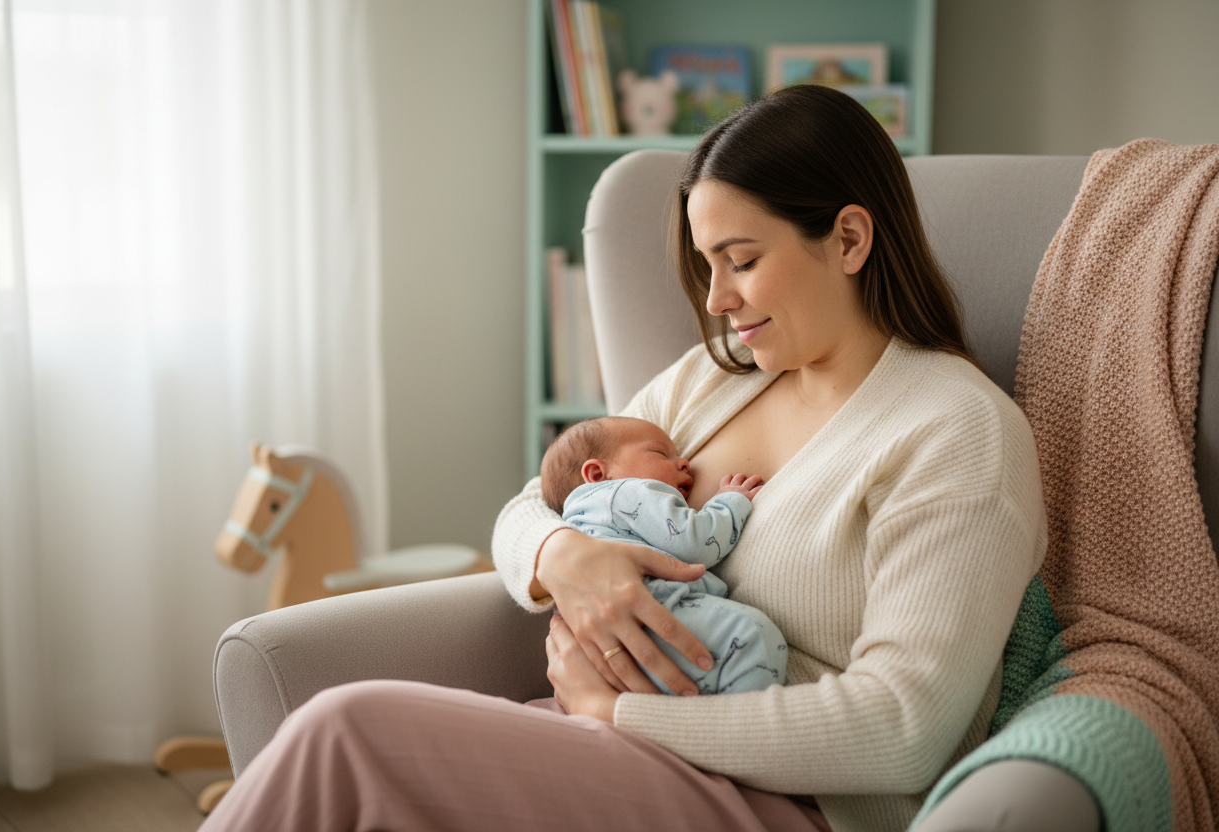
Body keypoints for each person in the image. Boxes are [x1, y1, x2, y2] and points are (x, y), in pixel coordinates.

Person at [200, 84, 1094, 832]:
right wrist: (564, 557)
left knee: (346, 731)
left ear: (850, 241)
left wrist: (618, 713)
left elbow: (904, 729)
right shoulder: (714, 382)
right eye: (708, 264)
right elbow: (530, 506)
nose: (717, 299)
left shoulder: (955, 432)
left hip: (790, 800)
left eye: (740, 260)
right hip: (618, 740)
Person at [540, 414, 787, 696]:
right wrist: (730, 500)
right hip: (654, 612)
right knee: (752, 635)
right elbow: (696, 542)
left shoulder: (576, 519)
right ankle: (747, 727)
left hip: (600, 646)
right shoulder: (624, 491)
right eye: (660, 453)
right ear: (598, 475)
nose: (684, 463)